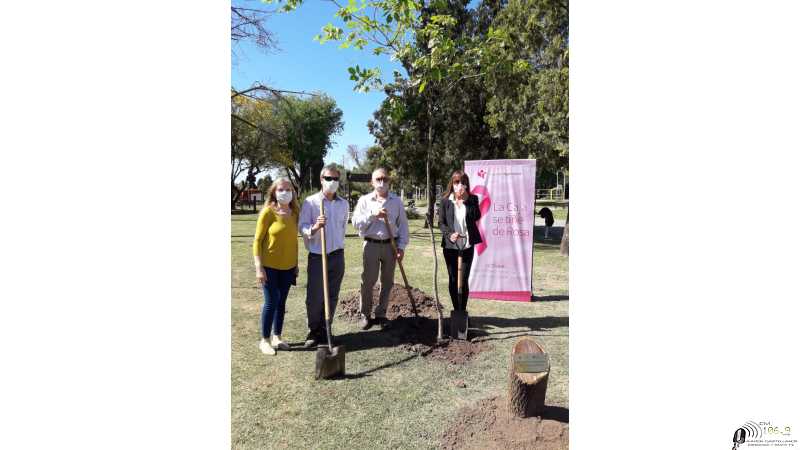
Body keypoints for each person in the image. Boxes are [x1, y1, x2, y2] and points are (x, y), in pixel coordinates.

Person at [351, 168, 410, 330]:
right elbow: (355, 222)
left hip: (391, 245)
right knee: (368, 281)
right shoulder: (364, 201)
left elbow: (403, 225)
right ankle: (365, 314)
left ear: (389, 181)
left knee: (387, 281)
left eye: (384, 179)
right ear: (372, 182)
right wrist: (373, 214)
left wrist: (401, 247)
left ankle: (381, 314)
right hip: (371, 244)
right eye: (378, 179)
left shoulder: (396, 201)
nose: (381, 182)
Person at [298, 165, 349, 348]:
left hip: (337, 255)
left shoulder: (343, 204)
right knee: (315, 297)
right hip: (318, 256)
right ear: (321, 179)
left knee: (332, 295)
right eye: (328, 178)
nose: (332, 182)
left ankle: (326, 329)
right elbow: (302, 226)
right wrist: (315, 227)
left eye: (335, 179)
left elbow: (343, 227)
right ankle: (314, 331)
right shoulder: (311, 202)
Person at [253, 178, 300, 355]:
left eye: (288, 189)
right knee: (271, 301)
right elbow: (257, 241)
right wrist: (259, 267)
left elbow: (293, 241)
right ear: (274, 192)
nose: (285, 192)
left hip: (288, 267)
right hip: (269, 266)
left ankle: (277, 337)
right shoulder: (268, 212)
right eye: (281, 189)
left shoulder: (295, 212)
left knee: (281, 302)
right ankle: (265, 340)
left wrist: (295, 264)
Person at [438, 170, 482, 340]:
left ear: (466, 184)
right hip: (450, 246)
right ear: (452, 184)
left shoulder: (473, 199)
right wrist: (450, 234)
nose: (459, 185)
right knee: (452, 279)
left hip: (467, 244)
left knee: (463, 280)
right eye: (456, 182)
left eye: (463, 182)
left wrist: (466, 200)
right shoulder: (445, 201)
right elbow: (441, 223)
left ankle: (463, 312)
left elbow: (476, 216)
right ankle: (456, 310)